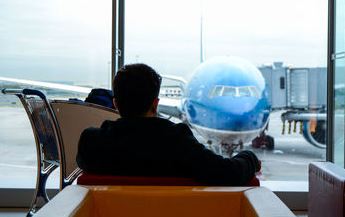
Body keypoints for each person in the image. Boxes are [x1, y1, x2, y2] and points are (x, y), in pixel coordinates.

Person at [76, 63, 260, 186]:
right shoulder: (177, 142)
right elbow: (229, 174)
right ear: (155, 105)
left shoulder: (91, 143)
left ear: (115, 105)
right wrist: (249, 157)